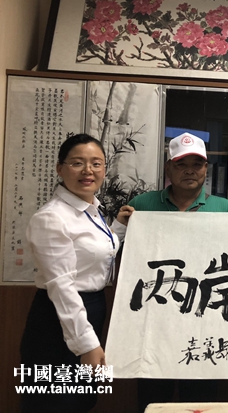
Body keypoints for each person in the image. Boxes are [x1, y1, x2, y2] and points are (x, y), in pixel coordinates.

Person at [113, 132, 228, 412]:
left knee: (201, 401)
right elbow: (116, 256)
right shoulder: (142, 206)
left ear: (206, 169)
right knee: (154, 398)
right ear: (168, 168)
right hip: (154, 324)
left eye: (197, 164)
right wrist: (120, 225)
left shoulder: (225, 209)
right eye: (181, 164)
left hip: (205, 322)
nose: (190, 171)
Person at [20, 133, 132, 412]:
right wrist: (86, 345)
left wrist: (118, 228)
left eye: (96, 163)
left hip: (91, 310)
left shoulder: (90, 210)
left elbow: (93, 256)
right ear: (60, 168)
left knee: (82, 401)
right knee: (56, 402)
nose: (88, 171)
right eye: (77, 163)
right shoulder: (51, 217)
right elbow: (62, 286)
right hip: (60, 318)